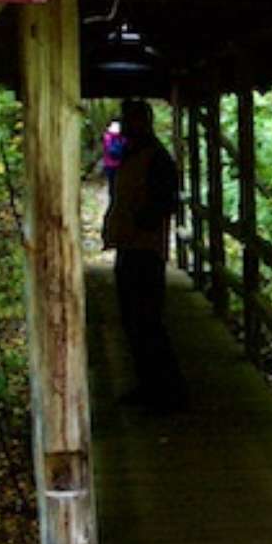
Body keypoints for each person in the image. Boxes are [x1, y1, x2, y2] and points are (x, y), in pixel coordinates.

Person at [102, 98, 188, 413]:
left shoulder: (156, 158)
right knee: (134, 321)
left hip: (145, 250)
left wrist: (141, 221)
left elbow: (166, 201)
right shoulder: (133, 153)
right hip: (130, 245)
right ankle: (151, 386)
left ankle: (169, 390)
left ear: (143, 122)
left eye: (130, 120)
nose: (125, 126)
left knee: (147, 320)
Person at [100, 118, 125, 197]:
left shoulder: (108, 136)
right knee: (115, 185)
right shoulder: (120, 137)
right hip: (116, 165)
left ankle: (114, 198)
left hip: (112, 165)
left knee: (114, 185)